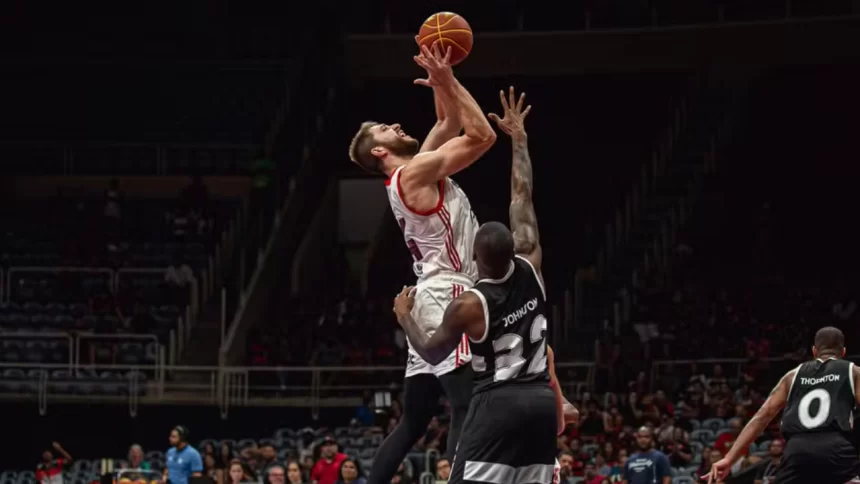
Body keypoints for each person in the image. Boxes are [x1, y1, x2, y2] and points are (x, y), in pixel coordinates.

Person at [392, 87, 573, 484]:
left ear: (475, 261)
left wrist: (405, 318)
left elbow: (431, 349)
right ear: (514, 249)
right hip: (540, 399)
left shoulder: (470, 304)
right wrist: (520, 140)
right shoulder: (531, 266)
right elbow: (521, 194)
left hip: (498, 401)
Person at [348, 42, 496, 483]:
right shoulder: (412, 174)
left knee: (413, 421)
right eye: (385, 130)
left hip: (428, 296)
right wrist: (450, 82)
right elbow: (482, 136)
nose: (395, 124)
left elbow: (447, 121)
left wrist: (441, 80)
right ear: (379, 152)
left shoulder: (413, 168)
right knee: (467, 404)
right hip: (448, 292)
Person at [707, 326, 860, 484]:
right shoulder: (853, 371)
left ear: (815, 351)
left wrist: (729, 458)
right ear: (843, 352)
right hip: (835, 446)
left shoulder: (792, 376)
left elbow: (761, 417)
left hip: (797, 450)